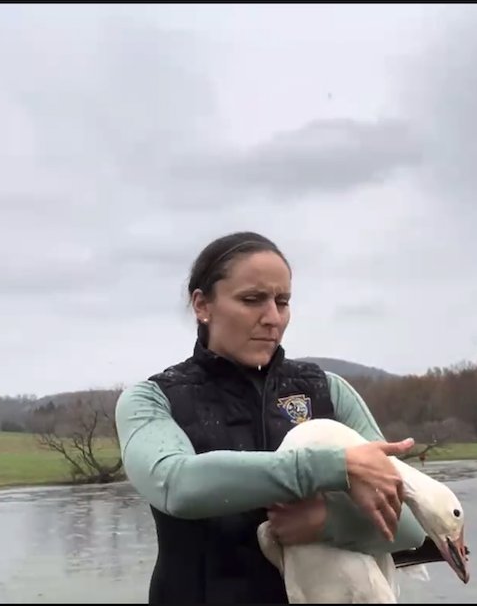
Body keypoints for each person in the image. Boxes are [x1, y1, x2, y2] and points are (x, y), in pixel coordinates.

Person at [115, 231, 428, 604]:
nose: (273, 318)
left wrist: (328, 523)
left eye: (283, 302)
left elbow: (411, 529)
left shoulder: (328, 391)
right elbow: (176, 485)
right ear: (202, 305)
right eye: (252, 300)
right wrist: (335, 466)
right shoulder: (152, 399)